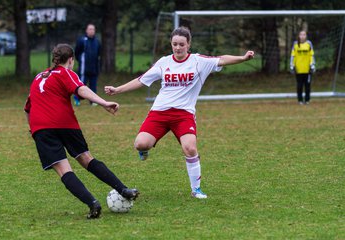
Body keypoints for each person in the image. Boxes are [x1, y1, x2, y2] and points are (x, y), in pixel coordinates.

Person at [105, 27, 254, 199]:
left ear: (188, 45)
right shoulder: (164, 62)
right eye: (175, 44)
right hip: (159, 113)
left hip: (184, 114)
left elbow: (221, 60)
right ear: (171, 44)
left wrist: (243, 58)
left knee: (190, 148)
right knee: (140, 144)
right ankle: (145, 150)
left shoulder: (199, 61)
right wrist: (117, 90)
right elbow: (142, 80)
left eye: (181, 44)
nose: (178, 48)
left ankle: (196, 189)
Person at [24, 44, 139, 219]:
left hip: (41, 127)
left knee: (64, 170)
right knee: (86, 158)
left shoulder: (39, 77)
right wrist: (104, 102)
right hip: (65, 123)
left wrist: (34, 130)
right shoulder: (66, 73)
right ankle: (123, 189)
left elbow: (27, 108)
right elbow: (81, 89)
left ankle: (93, 204)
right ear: (71, 60)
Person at [74, 23, 101, 106]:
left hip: (94, 69)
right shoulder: (82, 41)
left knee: (93, 86)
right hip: (84, 69)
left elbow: (98, 54)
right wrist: (81, 62)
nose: (91, 31)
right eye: (90, 29)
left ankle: (93, 101)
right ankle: (77, 99)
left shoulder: (97, 41)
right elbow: (77, 52)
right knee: (81, 85)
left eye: (93, 29)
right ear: (86, 30)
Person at [290, 30, 316, 105]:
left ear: (306, 36)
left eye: (304, 34)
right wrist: (292, 65)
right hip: (298, 69)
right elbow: (293, 56)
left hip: (307, 69)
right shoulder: (295, 44)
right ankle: (300, 100)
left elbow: (312, 55)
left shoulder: (309, 44)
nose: (302, 36)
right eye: (301, 34)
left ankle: (307, 100)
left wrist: (312, 65)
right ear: (298, 36)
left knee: (307, 85)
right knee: (299, 86)